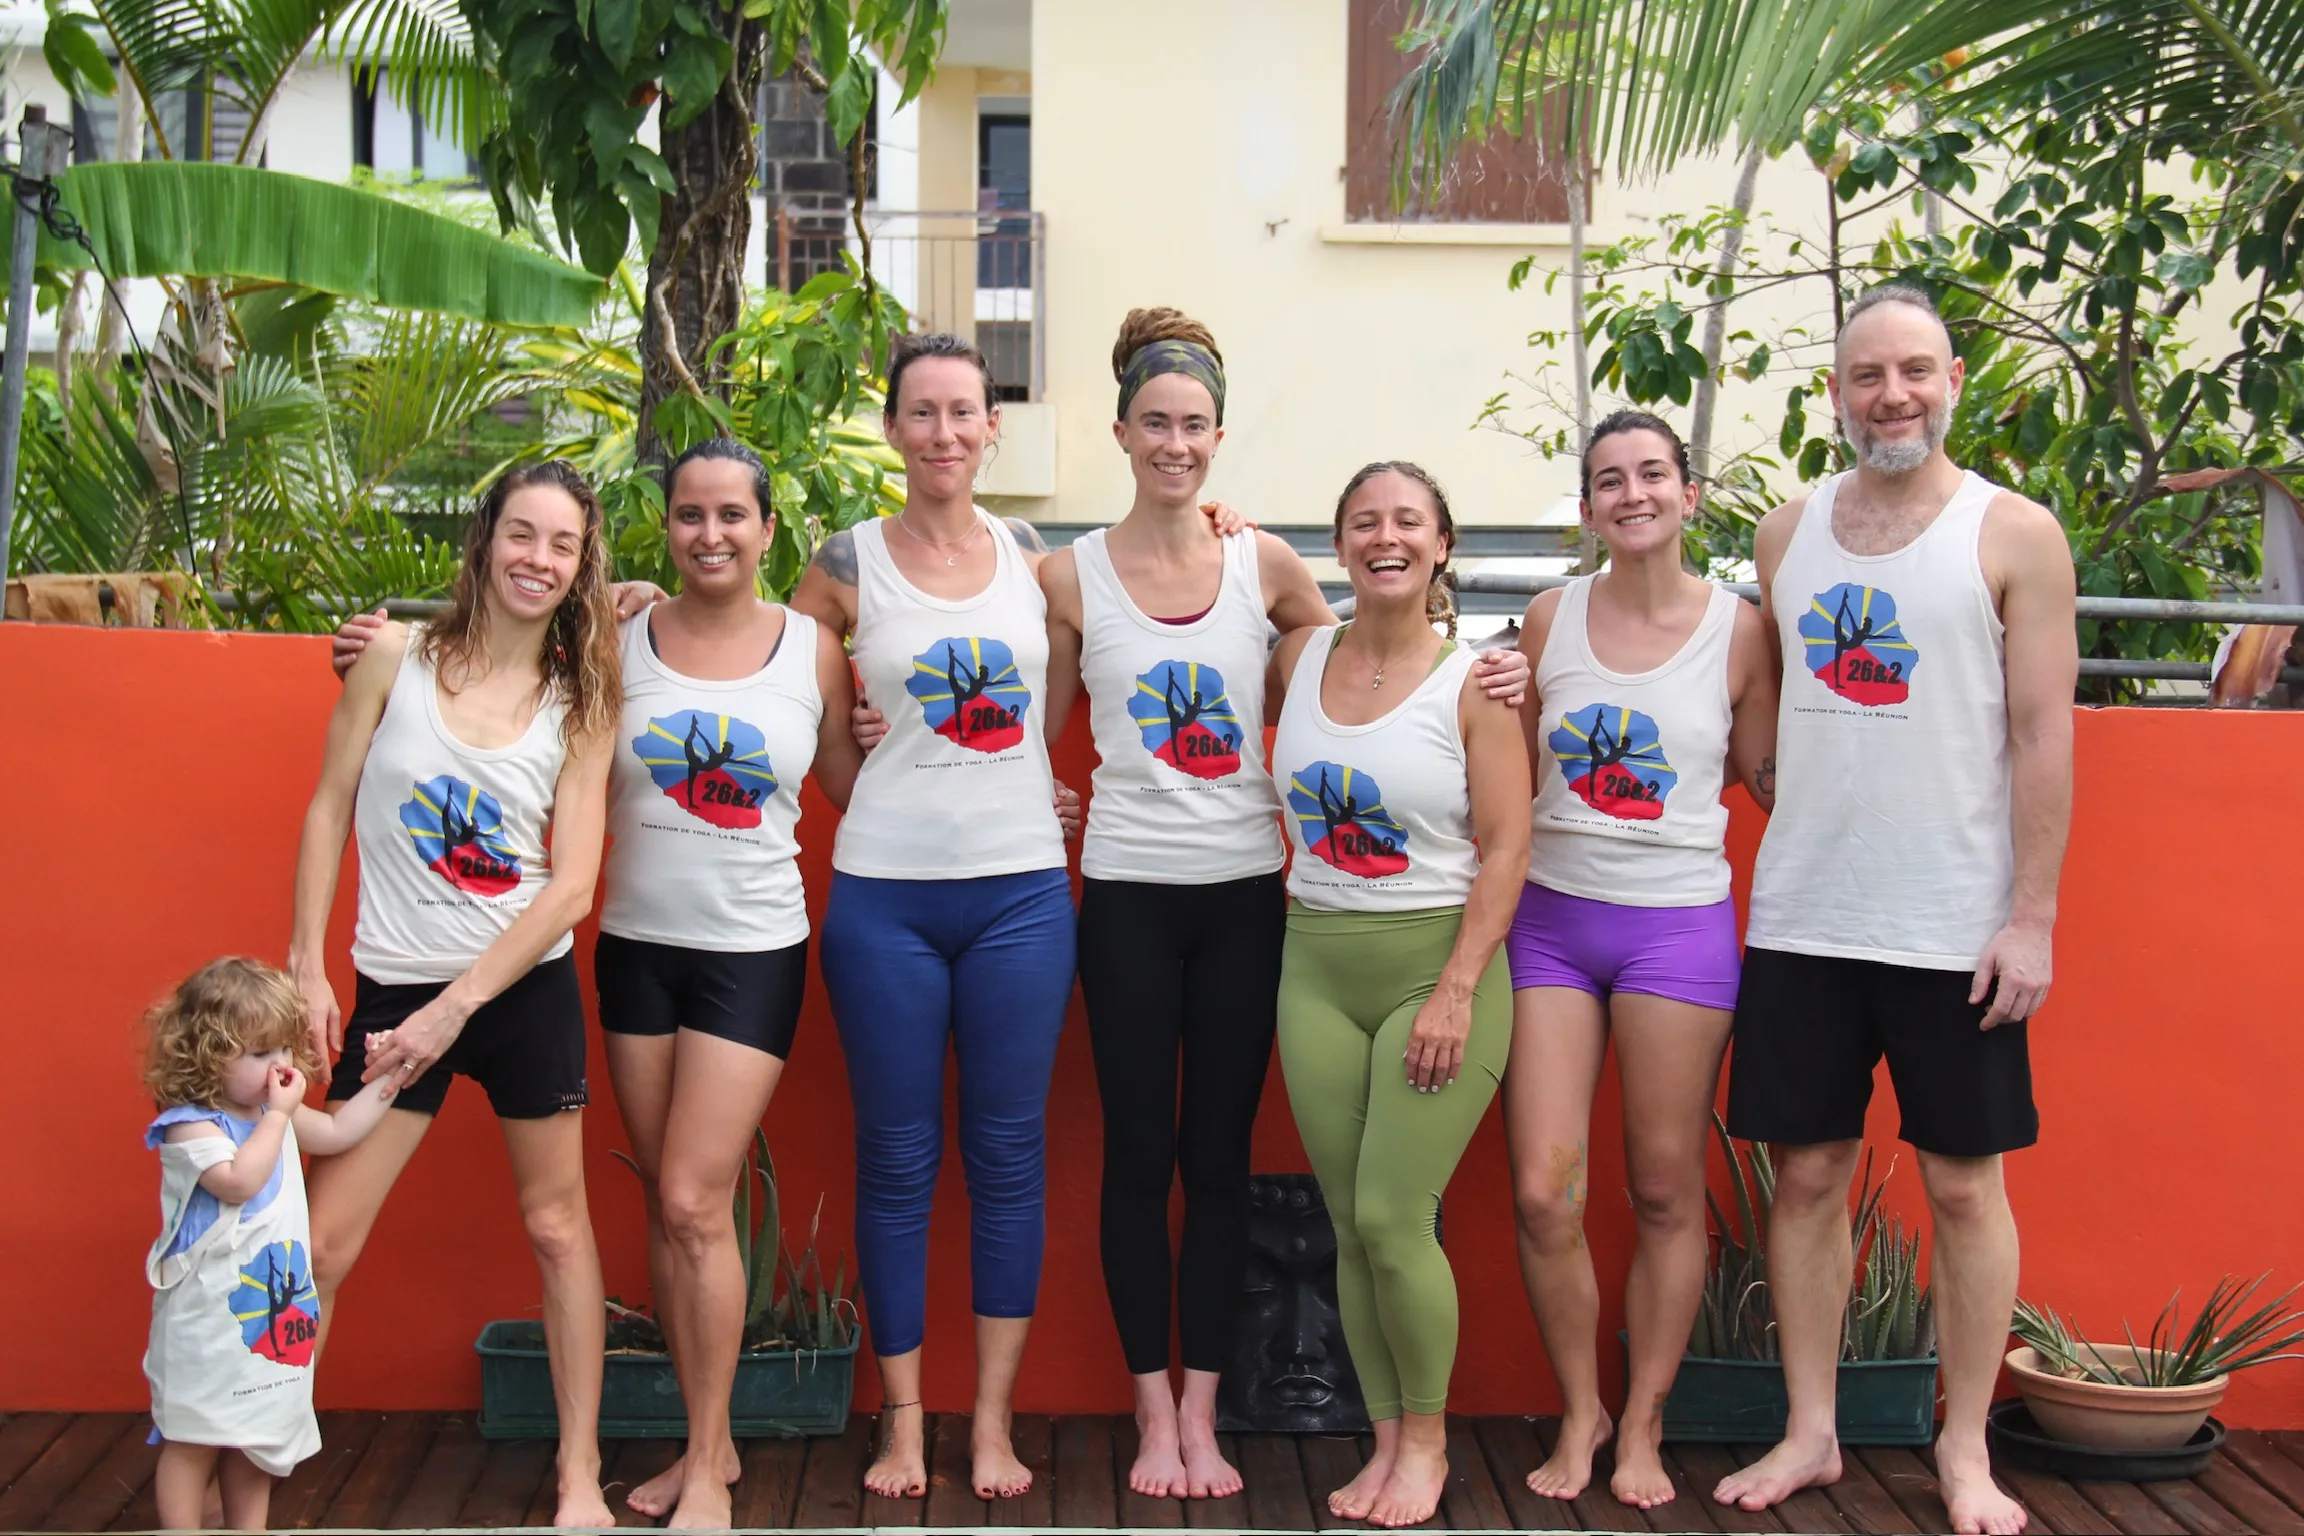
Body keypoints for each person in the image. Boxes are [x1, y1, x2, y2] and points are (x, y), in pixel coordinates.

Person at [859, 307, 1528, 1500]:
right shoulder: (1063, 575)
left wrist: (1501, 661)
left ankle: (1206, 1416)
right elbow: (1019, 713)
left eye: (1195, 427)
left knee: (1215, 1161)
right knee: (1135, 1158)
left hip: (1246, 903)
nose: (1174, 444)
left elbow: (1365, 678)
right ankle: (1151, 1413)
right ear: (1121, 431)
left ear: (1219, 440)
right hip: (1120, 896)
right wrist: (879, 720)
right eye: (1154, 424)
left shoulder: (1265, 565)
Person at [331, 439, 864, 1529]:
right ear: (664, 530)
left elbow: (859, 784)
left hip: (751, 950)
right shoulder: (618, 635)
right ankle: (691, 1447)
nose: (711, 534)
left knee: (690, 1198)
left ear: (769, 529)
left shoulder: (811, 649)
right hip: (633, 950)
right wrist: (373, 650)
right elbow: (494, 651)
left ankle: (711, 1463)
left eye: (733, 516)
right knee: (666, 1209)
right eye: (689, 515)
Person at [1714, 284, 2075, 1536]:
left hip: (1950, 925)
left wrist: (2031, 917)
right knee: (1806, 1174)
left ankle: (1964, 1449)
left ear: (1954, 378)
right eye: (1869, 376)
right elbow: (1757, 695)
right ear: (1835, 393)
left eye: (1915, 371)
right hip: (1806, 916)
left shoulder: (2013, 533)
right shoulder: (1784, 533)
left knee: (1965, 1188)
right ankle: (1812, 1432)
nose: (1893, 396)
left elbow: (2041, 736)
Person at [290, 460, 621, 1528]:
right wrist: (306, 959)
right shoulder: (392, 655)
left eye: (561, 545)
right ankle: (265, 1449)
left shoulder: (582, 700)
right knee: (320, 1248)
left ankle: (578, 1474)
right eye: (522, 534)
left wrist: (458, 1006)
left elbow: (570, 887)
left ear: (581, 567)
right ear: (485, 541)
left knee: (558, 1228)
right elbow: (329, 805)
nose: (538, 559)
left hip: (516, 995)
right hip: (393, 987)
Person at [786, 332, 1077, 1503]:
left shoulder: (1036, 559)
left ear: (992, 428)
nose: (945, 432)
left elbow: (1108, 640)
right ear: (893, 425)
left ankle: (991, 1423)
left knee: (1009, 1158)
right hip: (883, 901)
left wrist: (1224, 526)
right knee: (898, 1160)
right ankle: (904, 1426)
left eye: (966, 412)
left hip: (1021, 896)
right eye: (923, 412)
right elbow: (776, 691)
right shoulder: (843, 563)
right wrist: (871, 782)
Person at [1504, 411, 1778, 1509]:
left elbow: (1770, 775)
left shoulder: (1742, 631)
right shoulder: (1547, 618)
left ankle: (1645, 1426)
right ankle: (1584, 1410)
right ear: (1587, 508)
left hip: (1679, 927)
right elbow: (1501, 773)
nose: (1632, 494)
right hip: (1552, 923)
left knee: (1665, 1189)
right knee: (1541, 1193)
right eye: (1609, 480)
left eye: (1652, 475)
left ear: (1688, 494)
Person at [1266, 461, 1531, 1529]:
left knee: (1392, 1212)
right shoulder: (1298, 655)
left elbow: (1509, 845)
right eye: (1366, 522)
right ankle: (1383, 1445)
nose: (1387, 538)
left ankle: (1427, 1440)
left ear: (1442, 546)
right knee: (1346, 1222)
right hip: (1314, 962)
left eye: (1408, 522)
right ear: (1338, 545)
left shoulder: (1478, 682)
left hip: (1435, 968)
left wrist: (1457, 990)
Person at [142, 958, 402, 1531]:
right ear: (208, 1054)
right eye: (260, 1054)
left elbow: (337, 1133)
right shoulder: (192, 1125)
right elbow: (238, 1181)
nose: (281, 1067)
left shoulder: (270, 1113)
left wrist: (394, 1078)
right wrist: (280, 1116)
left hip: (269, 1314)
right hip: (208, 1321)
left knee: (256, 1436)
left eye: (285, 1050)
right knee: (193, 1437)